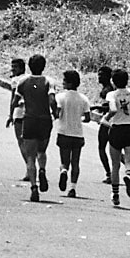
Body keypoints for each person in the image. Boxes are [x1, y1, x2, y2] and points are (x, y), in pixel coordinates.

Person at [15, 54, 57, 202]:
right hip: (45, 120)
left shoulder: (23, 81)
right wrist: (55, 111)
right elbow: (52, 99)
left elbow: (15, 101)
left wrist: (22, 104)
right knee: (42, 150)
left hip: (29, 119)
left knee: (30, 156)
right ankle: (43, 170)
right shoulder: (49, 81)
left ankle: (34, 187)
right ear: (44, 66)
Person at [105, 68, 130, 207]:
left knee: (115, 165)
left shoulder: (111, 95)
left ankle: (115, 194)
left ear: (112, 81)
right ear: (127, 80)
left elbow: (113, 109)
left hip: (116, 129)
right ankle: (128, 175)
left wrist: (106, 118)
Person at [54, 69, 92, 198]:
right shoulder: (83, 99)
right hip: (78, 134)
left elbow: (57, 113)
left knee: (64, 161)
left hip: (64, 132)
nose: (63, 83)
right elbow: (87, 117)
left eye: (64, 80)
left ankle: (64, 170)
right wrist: (78, 118)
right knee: (76, 162)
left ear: (69, 83)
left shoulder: (60, 97)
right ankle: (72, 188)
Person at [5, 57, 30, 181]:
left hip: (19, 112)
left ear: (21, 68)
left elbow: (13, 99)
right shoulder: (29, 78)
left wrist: (10, 115)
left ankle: (29, 168)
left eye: (14, 67)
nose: (12, 69)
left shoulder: (15, 80)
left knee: (21, 141)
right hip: (31, 112)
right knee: (29, 141)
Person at [94, 65, 115, 184]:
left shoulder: (108, 90)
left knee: (102, 147)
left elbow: (109, 107)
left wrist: (97, 107)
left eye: (102, 75)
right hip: (109, 121)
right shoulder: (107, 89)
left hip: (107, 122)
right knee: (112, 148)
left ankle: (108, 173)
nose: (99, 77)